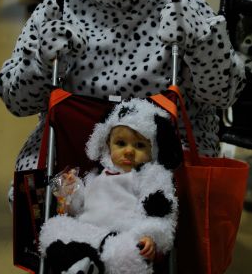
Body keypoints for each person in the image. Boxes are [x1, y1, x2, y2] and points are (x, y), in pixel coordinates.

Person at [0, 0, 245, 182]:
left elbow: (223, 95)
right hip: (74, 150)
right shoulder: (56, 10)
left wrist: (202, 44)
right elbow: (17, 103)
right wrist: (41, 63)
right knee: (33, 186)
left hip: (167, 149)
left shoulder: (178, 2)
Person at [39, 98, 181, 274]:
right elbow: (76, 208)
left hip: (120, 237)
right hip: (85, 231)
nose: (129, 151)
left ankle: (86, 266)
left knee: (130, 253)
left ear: (154, 149)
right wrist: (69, 189)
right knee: (53, 228)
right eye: (121, 143)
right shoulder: (95, 175)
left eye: (140, 145)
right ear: (107, 145)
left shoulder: (150, 175)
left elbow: (161, 216)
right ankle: (82, 265)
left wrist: (151, 236)